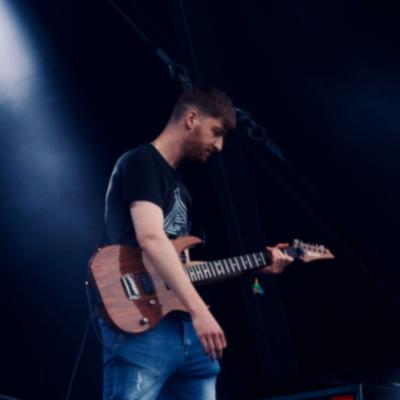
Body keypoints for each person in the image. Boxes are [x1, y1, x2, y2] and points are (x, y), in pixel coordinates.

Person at [97, 85, 293, 400]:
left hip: (186, 330)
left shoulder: (181, 188)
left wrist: (256, 265)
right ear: (191, 118)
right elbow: (151, 238)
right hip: (142, 322)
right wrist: (200, 311)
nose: (219, 146)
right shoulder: (140, 162)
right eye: (216, 132)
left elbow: (181, 266)